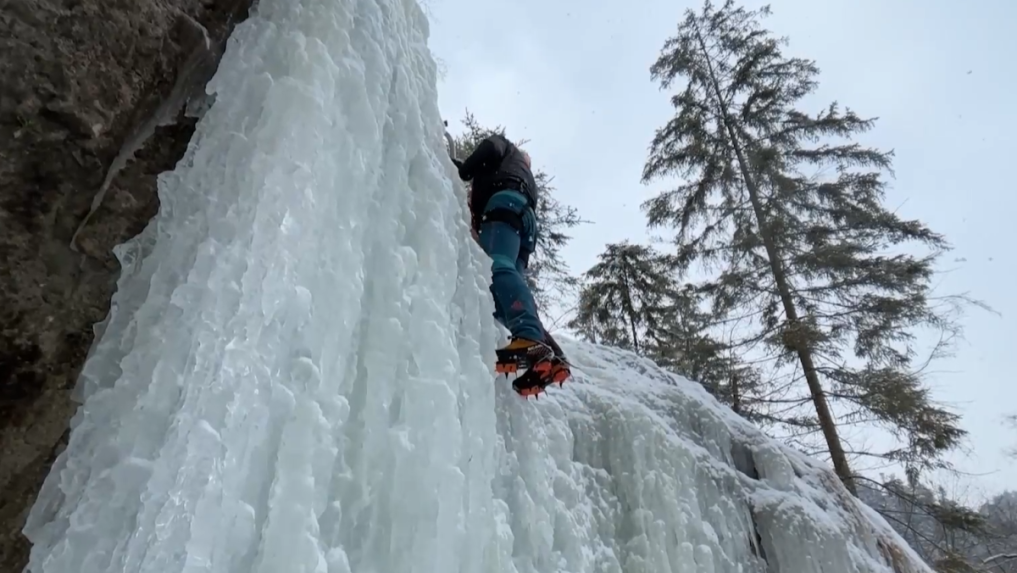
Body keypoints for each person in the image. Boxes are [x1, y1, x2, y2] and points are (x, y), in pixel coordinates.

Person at [452, 133, 570, 395]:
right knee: (500, 298)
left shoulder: (506, 149)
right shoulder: (527, 180)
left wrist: (465, 170)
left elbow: (490, 147)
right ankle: (552, 359)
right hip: (524, 225)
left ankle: (530, 338)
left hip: (505, 204)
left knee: (496, 267)